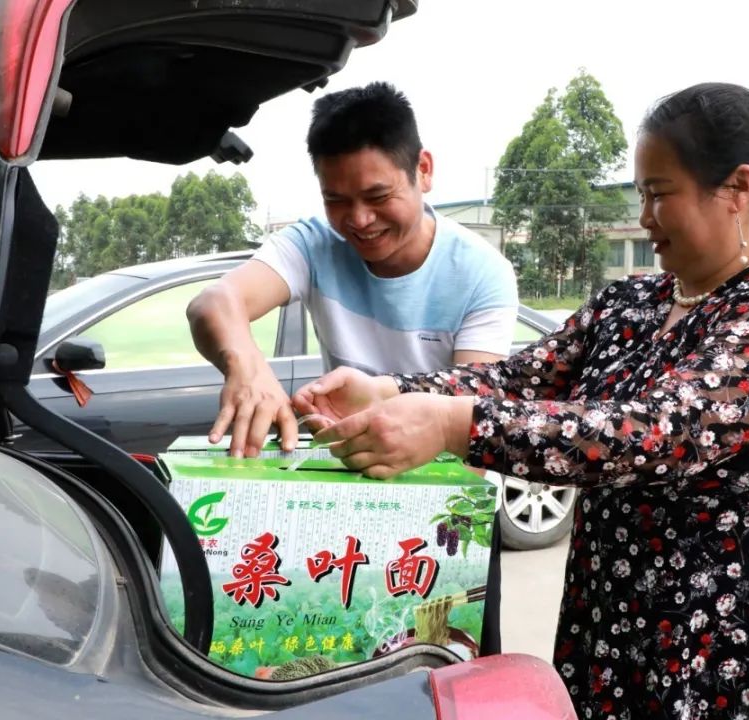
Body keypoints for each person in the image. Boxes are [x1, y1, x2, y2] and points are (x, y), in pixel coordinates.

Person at [294, 82, 749, 719]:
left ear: (738, 188)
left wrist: (451, 425)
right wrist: (391, 389)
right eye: (642, 194)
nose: (644, 217)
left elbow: (649, 434)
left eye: (660, 194)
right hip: (606, 632)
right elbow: (518, 380)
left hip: (722, 654)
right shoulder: (633, 303)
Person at [187, 81, 517, 656]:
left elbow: (476, 397)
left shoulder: (481, 272)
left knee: (433, 670)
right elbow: (214, 304)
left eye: (377, 194)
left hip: (439, 521)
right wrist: (248, 368)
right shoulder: (314, 244)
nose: (358, 220)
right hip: (343, 507)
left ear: (424, 170)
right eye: (336, 200)